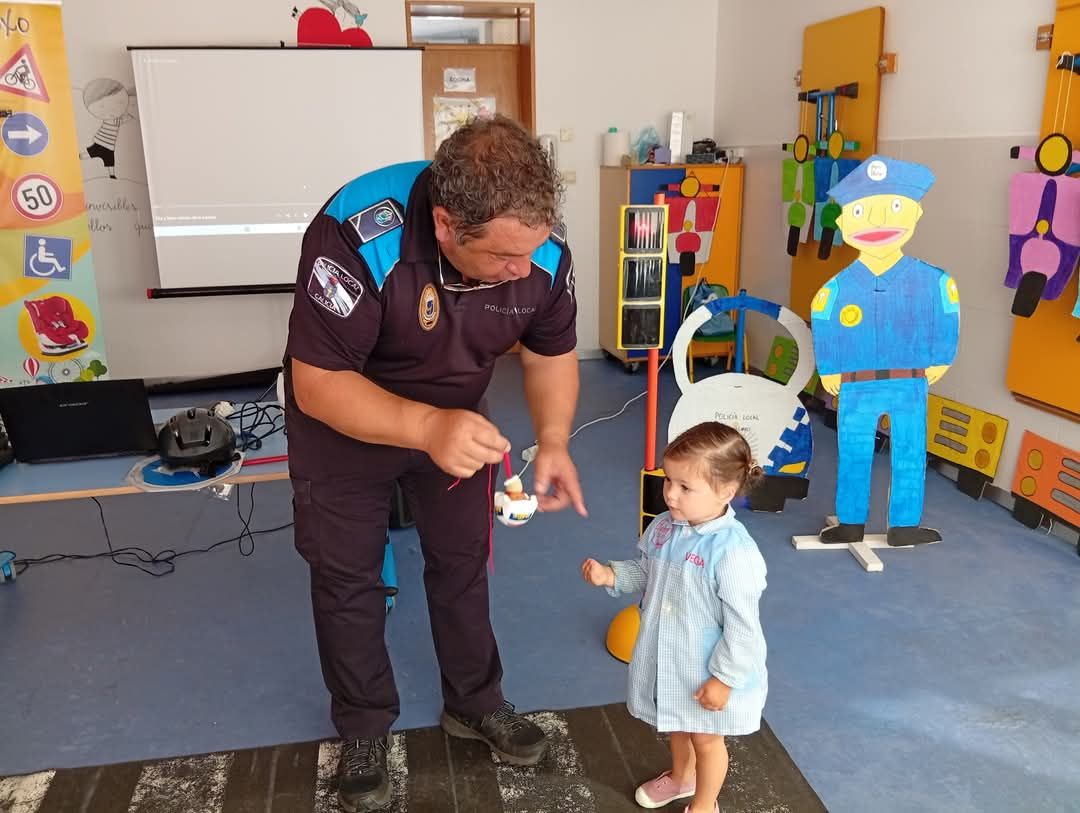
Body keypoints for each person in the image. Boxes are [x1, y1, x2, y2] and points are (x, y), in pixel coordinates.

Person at [283, 115, 587, 812]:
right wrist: (424, 425)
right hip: (343, 418)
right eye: (506, 258)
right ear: (447, 226)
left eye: (532, 252)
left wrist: (557, 436)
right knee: (346, 574)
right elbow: (318, 383)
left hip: (456, 419)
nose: (523, 269)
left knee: (461, 559)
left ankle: (476, 702)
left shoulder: (539, 248)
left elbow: (549, 352)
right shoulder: (356, 234)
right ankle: (363, 726)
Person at [582, 422, 767, 813]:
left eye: (685, 487)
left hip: (706, 670)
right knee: (678, 726)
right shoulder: (664, 527)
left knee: (706, 739)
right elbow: (648, 572)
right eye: (669, 481)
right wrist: (612, 575)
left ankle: (704, 804)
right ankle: (683, 779)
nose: (669, 493)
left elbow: (744, 629)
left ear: (726, 492)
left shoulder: (734, 554)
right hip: (672, 659)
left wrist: (724, 679)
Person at [810, 155, 959, 547]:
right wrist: (829, 367)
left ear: (916, 213)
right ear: (843, 224)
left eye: (893, 208)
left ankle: (904, 524)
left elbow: (946, 317)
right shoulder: (837, 287)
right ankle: (851, 521)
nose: (877, 222)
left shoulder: (934, 281)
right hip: (857, 384)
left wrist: (942, 358)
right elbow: (824, 323)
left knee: (910, 452)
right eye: (861, 211)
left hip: (909, 382)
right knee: (854, 451)